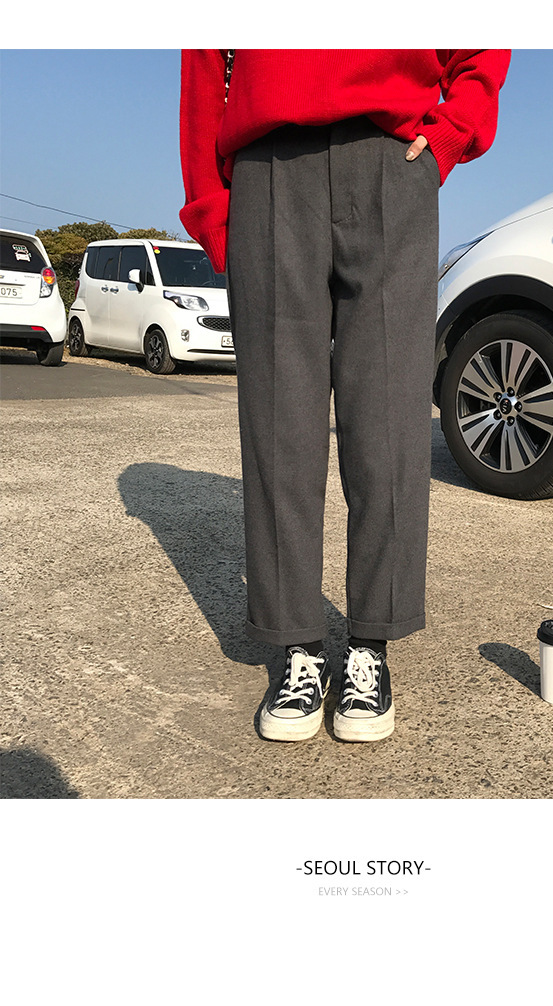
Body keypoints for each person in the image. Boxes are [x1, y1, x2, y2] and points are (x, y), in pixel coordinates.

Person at [179, 49, 511, 743]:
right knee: (280, 424)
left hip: (394, 158)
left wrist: (453, 131)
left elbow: (481, 40)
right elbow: (205, 58)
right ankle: (297, 647)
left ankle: (370, 645)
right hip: (267, 165)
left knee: (388, 418)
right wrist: (214, 208)